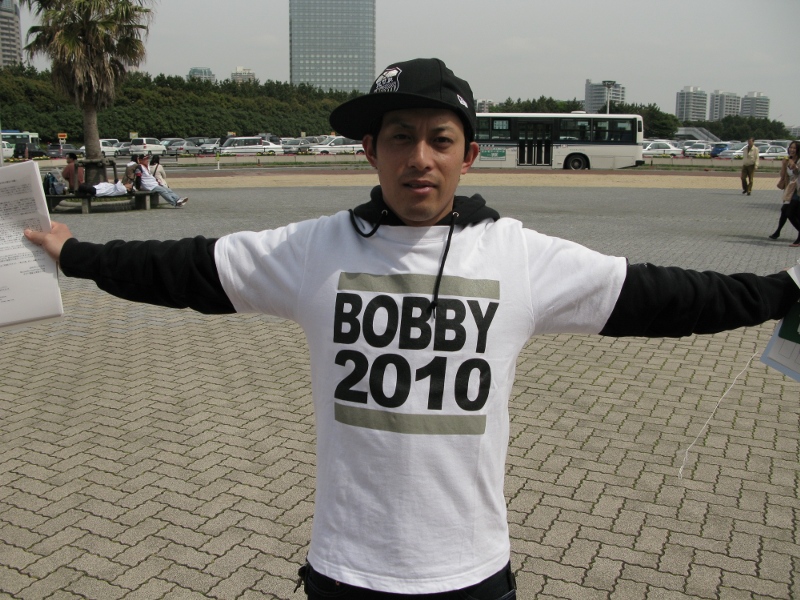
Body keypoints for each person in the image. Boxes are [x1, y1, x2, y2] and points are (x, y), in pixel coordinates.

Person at [23, 58, 800, 599]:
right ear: (370, 149)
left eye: (439, 140)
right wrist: (78, 250)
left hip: (471, 576)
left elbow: (667, 296)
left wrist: (784, 288)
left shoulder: (517, 256)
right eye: (400, 137)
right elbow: (188, 268)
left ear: (468, 156)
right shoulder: (313, 248)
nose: (418, 158)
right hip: (346, 572)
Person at [769, 140, 800, 242]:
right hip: (789, 189)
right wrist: (784, 165)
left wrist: (793, 165)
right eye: (791, 147)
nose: (792, 150)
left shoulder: (798, 160)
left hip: (797, 189)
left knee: (790, 212)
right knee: (786, 211)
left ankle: (778, 232)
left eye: (794, 148)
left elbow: (796, 172)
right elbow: (783, 176)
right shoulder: (788, 160)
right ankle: (777, 231)